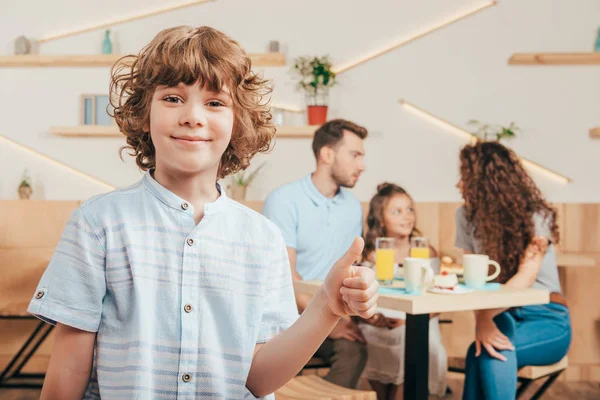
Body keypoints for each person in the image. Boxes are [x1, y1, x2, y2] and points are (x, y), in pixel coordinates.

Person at [27, 26, 378, 399]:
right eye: (174, 98)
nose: (194, 116)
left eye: (214, 103)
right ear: (145, 113)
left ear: (236, 122)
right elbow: (66, 379)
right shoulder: (98, 224)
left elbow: (259, 379)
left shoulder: (262, 238)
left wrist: (326, 306)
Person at [455, 141, 571, 400]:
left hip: (547, 317)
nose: (458, 185)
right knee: (477, 354)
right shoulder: (464, 216)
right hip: (501, 314)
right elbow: (476, 280)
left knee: (491, 352)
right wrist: (483, 320)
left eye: (464, 178)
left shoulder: (536, 216)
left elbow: (526, 277)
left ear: (486, 183)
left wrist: (485, 319)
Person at [263, 119, 368, 388]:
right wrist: (327, 318)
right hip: (290, 317)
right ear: (327, 154)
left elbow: (350, 268)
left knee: (355, 351)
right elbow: (286, 276)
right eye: (355, 155)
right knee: (278, 360)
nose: (362, 165)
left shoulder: (353, 207)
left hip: (332, 314)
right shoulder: (284, 200)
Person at [360, 182, 448, 400]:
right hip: (379, 322)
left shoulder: (425, 252)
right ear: (380, 218)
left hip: (420, 319)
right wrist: (373, 318)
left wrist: (411, 322)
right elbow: (362, 298)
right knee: (371, 344)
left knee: (415, 346)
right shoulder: (370, 255)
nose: (407, 217)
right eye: (397, 211)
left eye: (409, 209)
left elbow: (436, 300)